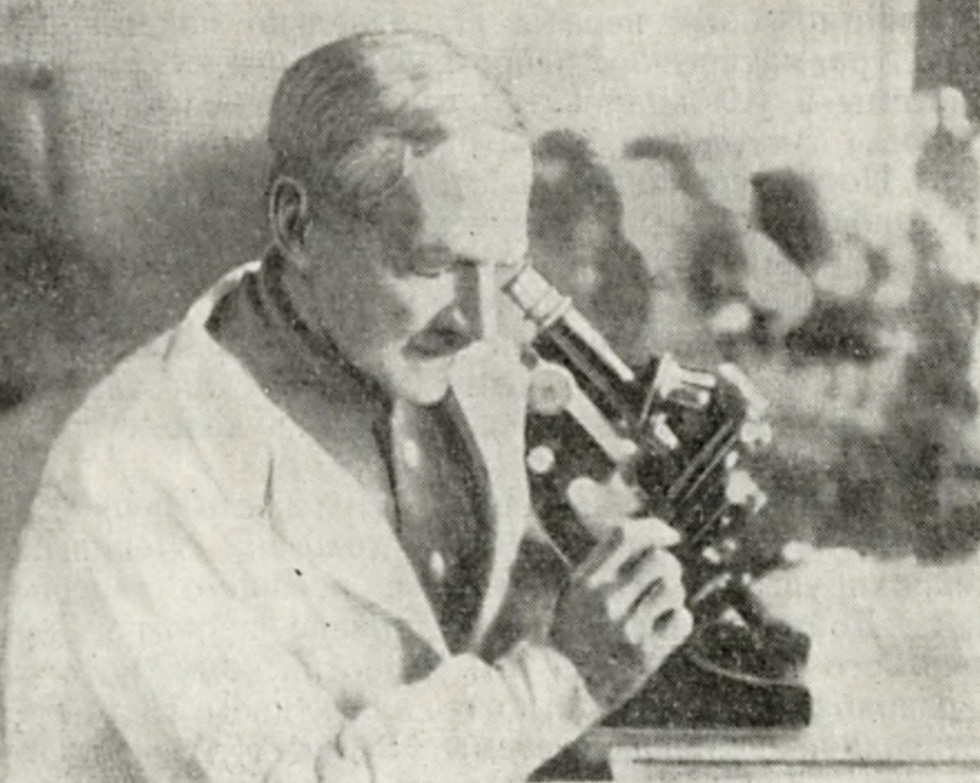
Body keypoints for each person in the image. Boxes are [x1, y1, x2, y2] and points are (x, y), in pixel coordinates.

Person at [3, 31, 692, 783]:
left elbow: (448, 608)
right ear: (298, 227)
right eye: (432, 264)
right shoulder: (128, 472)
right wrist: (562, 677)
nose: (479, 322)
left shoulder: (442, 356)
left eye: (500, 265)